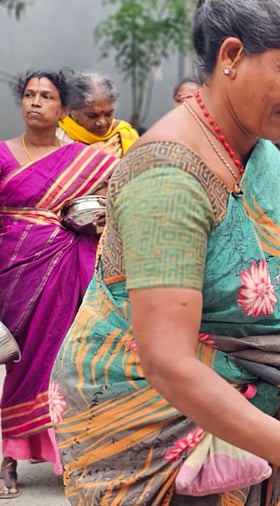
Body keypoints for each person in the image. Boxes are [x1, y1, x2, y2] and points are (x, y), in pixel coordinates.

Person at [50, 2, 280, 505]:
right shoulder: (167, 177)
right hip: (157, 432)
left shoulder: (260, 154)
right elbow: (168, 363)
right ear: (232, 56)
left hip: (248, 412)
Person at [0, 70, 118, 499]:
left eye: (46, 96)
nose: (35, 102)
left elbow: (113, 203)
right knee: (21, 364)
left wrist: (96, 218)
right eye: (30, 94)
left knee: (67, 362)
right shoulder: (2, 154)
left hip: (68, 269)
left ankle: (71, 455)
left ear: (64, 109)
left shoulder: (85, 160)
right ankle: (9, 457)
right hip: (14, 271)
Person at [57, 70, 139, 156]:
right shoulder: (58, 140)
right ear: (73, 112)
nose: (102, 122)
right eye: (92, 116)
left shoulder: (125, 134)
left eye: (108, 114)